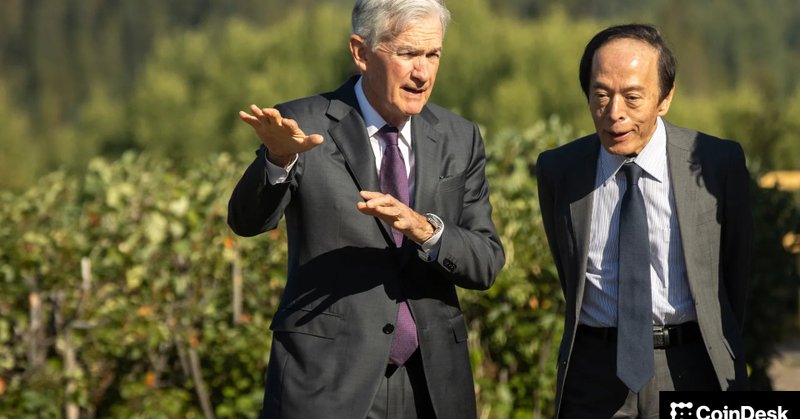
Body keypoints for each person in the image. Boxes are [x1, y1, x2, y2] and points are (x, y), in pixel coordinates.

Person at [227, 1, 505, 418]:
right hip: (327, 382)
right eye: (408, 54)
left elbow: (485, 263)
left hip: (432, 387)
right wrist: (279, 161)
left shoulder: (459, 137)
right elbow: (246, 221)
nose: (423, 73)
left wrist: (424, 228)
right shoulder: (301, 124)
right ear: (360, 52)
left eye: (433, 55)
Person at [536, 24, 753, 418]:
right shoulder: (560, 171)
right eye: (601, 95)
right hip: (593, 373)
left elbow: (735, 277)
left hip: (691, 365)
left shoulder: (715, 165)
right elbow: (567, 269)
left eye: (632, 97)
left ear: (665, 98)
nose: (614, 113)